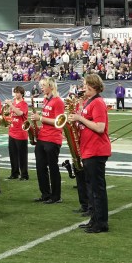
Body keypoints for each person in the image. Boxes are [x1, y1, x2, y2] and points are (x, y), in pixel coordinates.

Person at [69, 74, 112, 233]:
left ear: (92, 86)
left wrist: (80, 118)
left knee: (97, 189)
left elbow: (100, 127)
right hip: (88, 149)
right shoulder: (89, 101)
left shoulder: (98, 102)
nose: (83, 87)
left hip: (96, 150)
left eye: (85, 84)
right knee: (91, 188)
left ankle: (101, 223)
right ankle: (94, 219)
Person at [31, 77, 65, 204]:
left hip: (53, 138)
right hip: (42, 136)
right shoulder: (45, 100)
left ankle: (56, 196)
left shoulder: (58, 101)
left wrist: (40, 118)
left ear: (51, 86)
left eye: (44, 85)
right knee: (40, 167)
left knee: (53, 167)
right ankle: (45, 194)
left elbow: (58, 122)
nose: (41, 87)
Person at [6, 86, 30, 181]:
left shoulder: (24, 104)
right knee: (13, 154)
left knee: (22, 156)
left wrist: (11, 105)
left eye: (18, 92)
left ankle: (24, 175)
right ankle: (14, 173)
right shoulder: (14, 103)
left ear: (22, 94)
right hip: (12, 131)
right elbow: (9, 114)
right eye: (15, 92)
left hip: (21, 133)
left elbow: (20, 113)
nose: (16, 94)